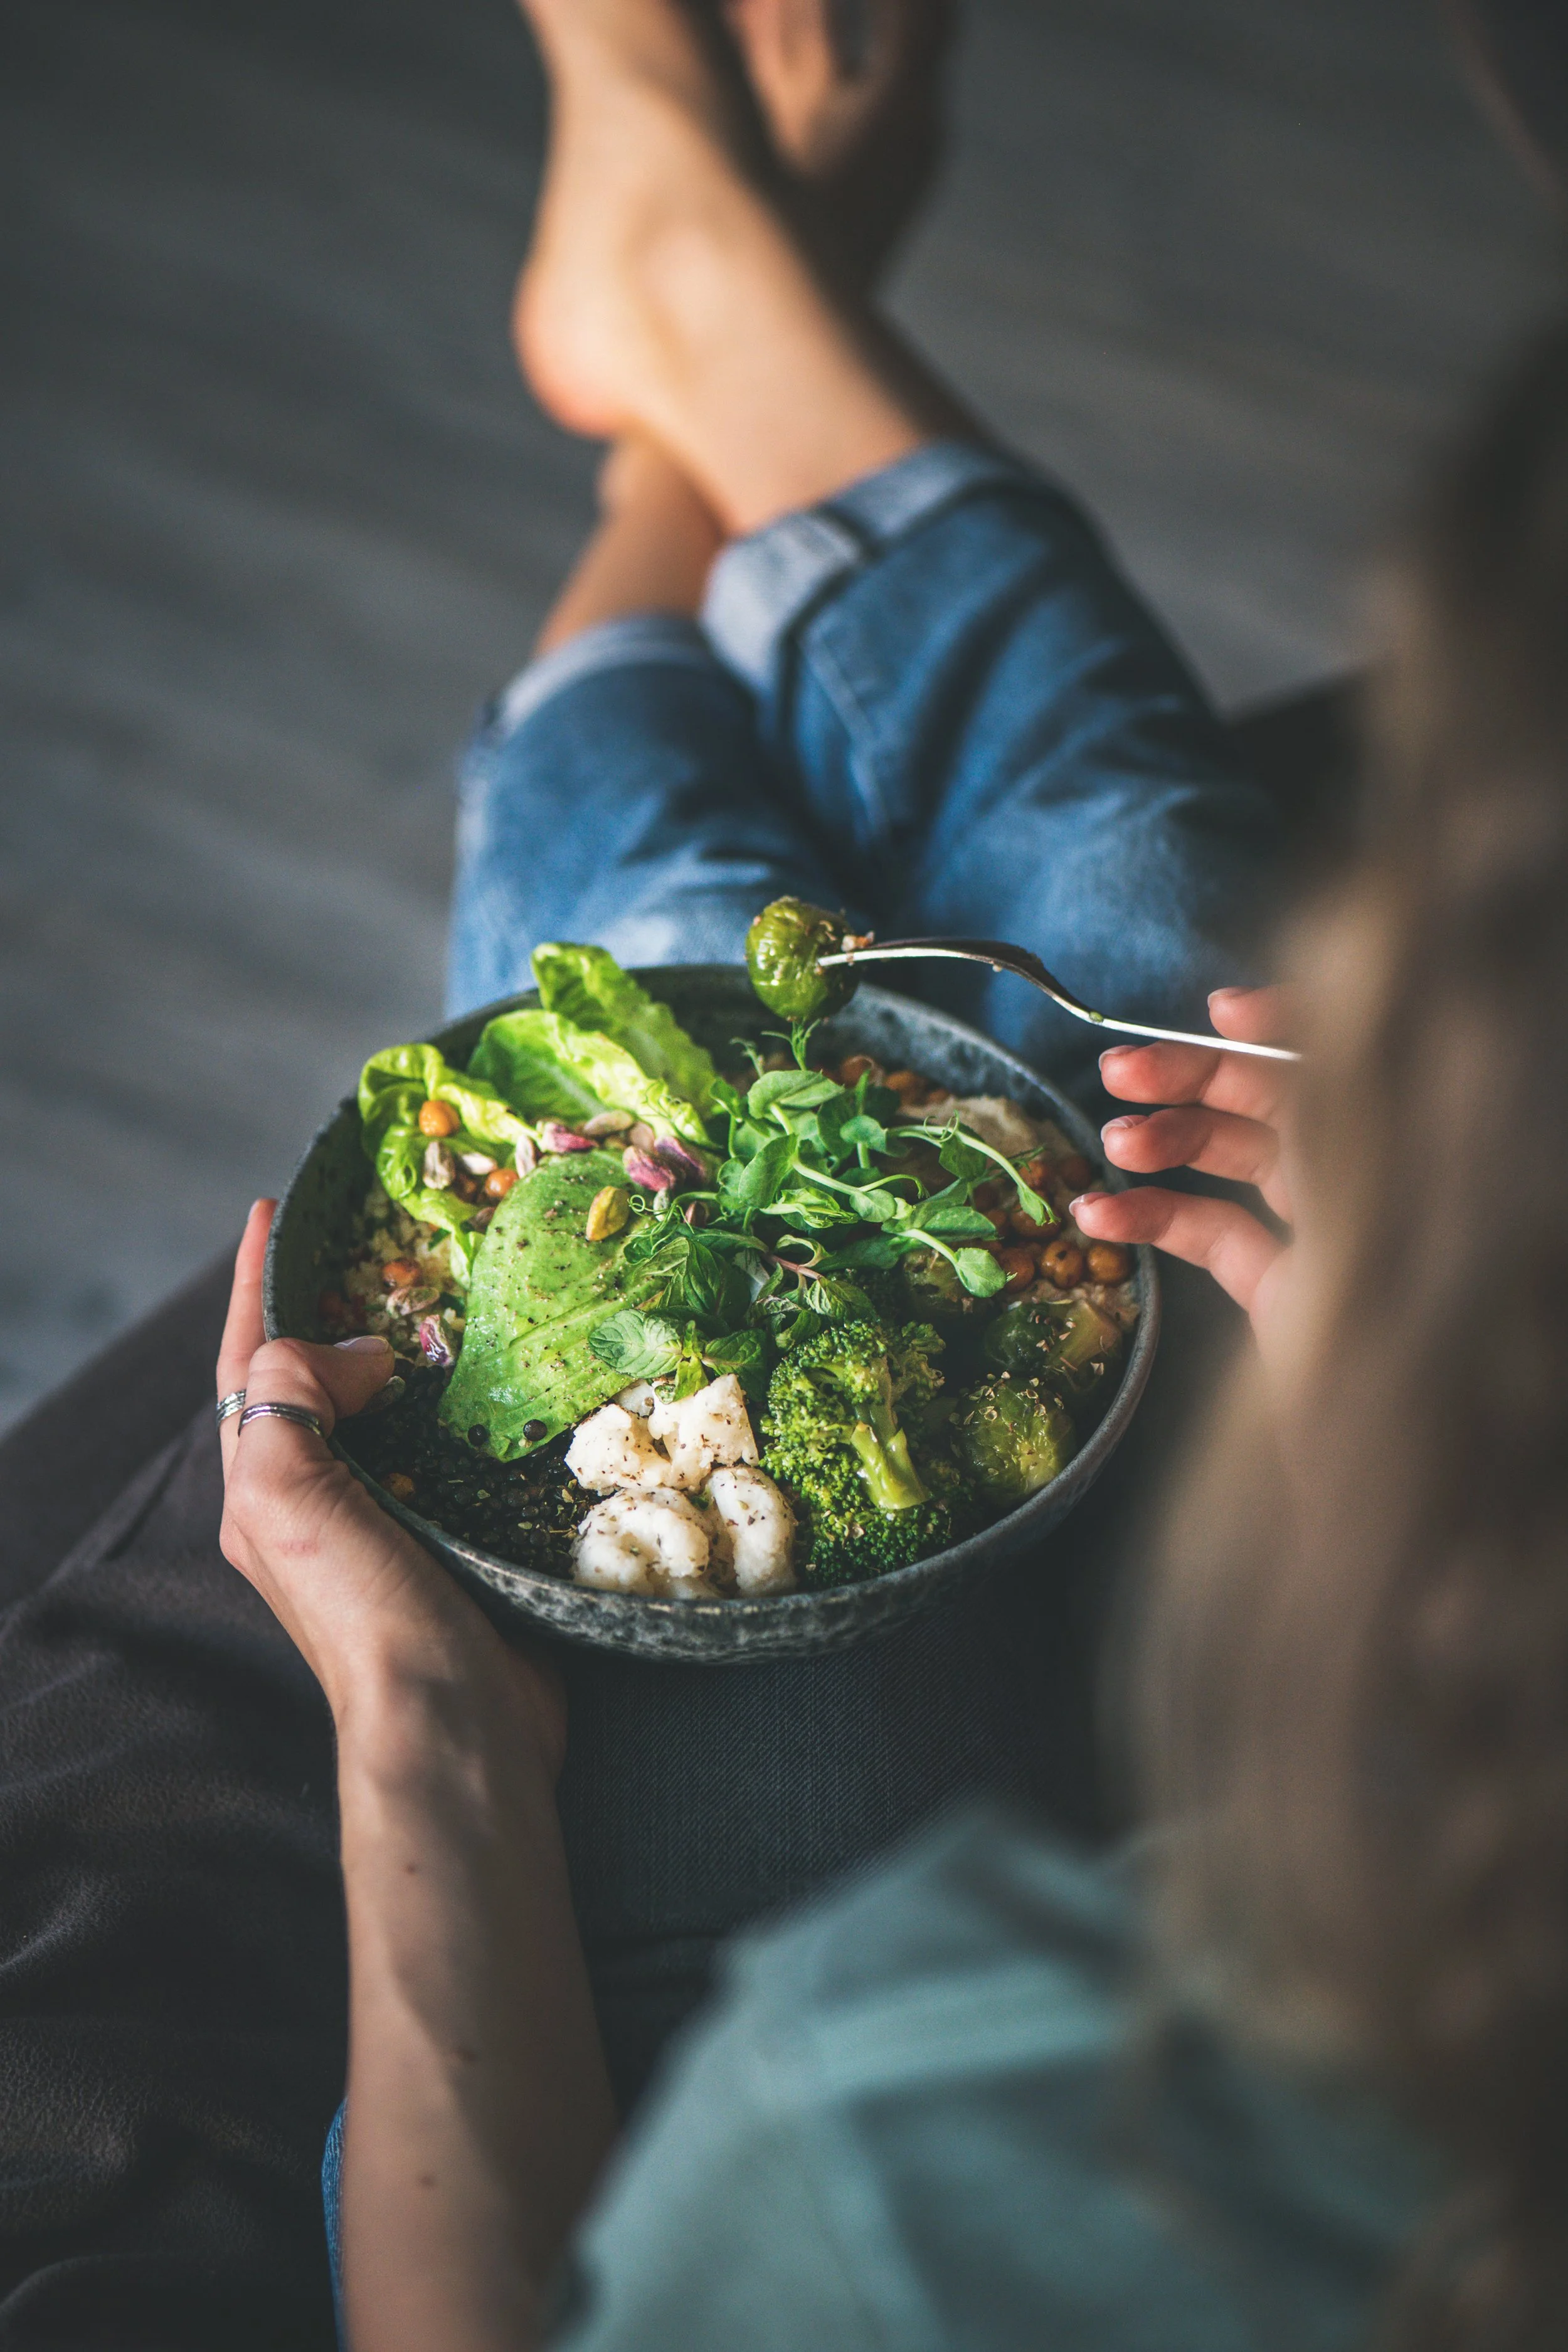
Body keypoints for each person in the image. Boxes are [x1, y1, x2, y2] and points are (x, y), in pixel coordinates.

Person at [220, 287, 1568, 2349]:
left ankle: (679, 399)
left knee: (654, 946)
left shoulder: (890, 2152)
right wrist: (1429, 1402)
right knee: (1136, 888)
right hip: (1369, 1693)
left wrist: (425, 1731)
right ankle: (716, 316)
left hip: (1035, 1828)